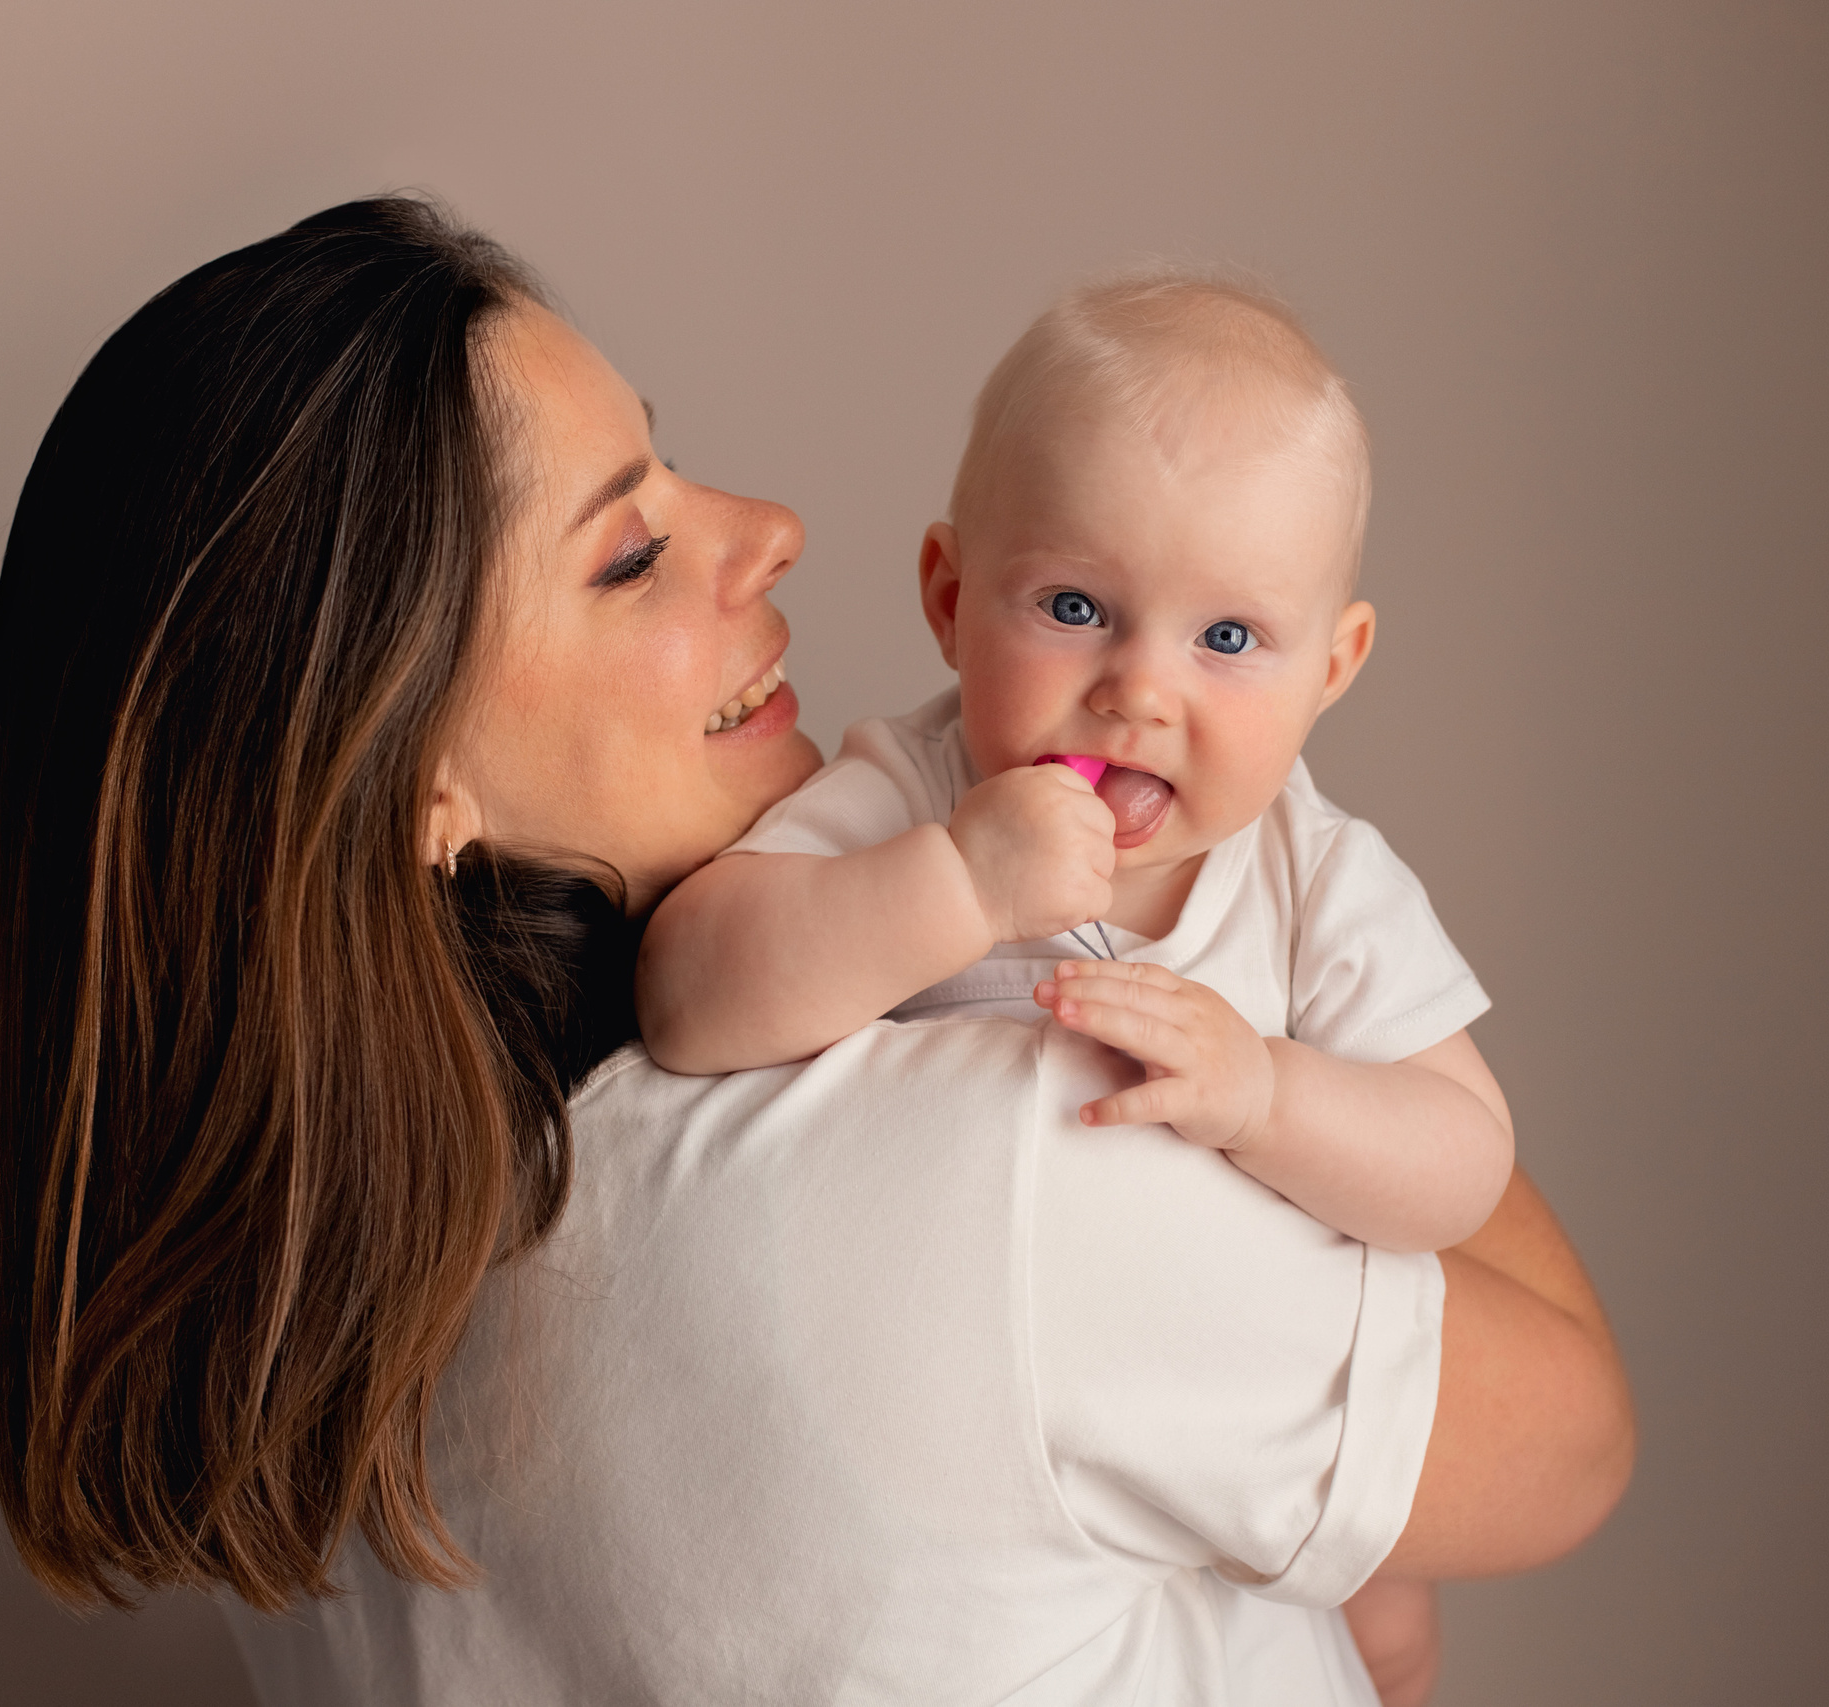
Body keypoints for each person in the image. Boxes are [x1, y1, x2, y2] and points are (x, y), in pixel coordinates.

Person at [0, 197, 1632, 1705]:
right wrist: (1270, 897)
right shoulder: (1004, 1162)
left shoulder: (303, 1369)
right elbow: (1568, 1436)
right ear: (412, 779)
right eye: (630, 552)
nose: (769, 528)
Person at [638, 274, 1513, 1261]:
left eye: (1226, 636)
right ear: (950, 600)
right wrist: (961, 884)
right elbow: (686, 997)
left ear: (1330, 670)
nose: (1137, 692)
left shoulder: (1313, 880)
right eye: (1074, 609)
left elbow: (1464, 1162)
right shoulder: (914, 792)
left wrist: (1265, 1096)